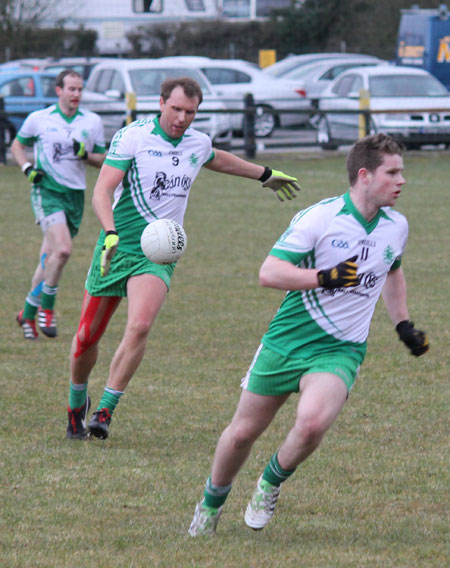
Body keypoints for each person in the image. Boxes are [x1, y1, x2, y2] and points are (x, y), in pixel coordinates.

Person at [188, 133, 429, 537]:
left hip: (341, 348)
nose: (401, 180)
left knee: (313, 423)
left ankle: (270, 482)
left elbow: (392, 270)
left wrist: (403, 324)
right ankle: (211, 504)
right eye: (393, 172)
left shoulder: (396, 226)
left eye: (401, 172)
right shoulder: (320, 218)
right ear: (365, 175)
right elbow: (270, 273)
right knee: (244, 432)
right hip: (287, 341)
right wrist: (324, 277)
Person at [65, 76, 300, 440]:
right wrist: (109, 232)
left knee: (140, 325)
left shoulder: (196, 141)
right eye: (176, 109)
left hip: (158, 252)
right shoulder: (134, 137)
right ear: (161, 103)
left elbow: (215, 158)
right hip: (116, 245)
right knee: (85, 338)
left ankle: (105, 411)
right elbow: (102, 189)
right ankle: (76, 401)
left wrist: (264, 174)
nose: (182, 118)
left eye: (190, 112)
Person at [12, 69, 106, 340]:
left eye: (80, 89)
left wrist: (85, 154)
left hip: (74, 195)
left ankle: (27, 314)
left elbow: (103, 158)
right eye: (71, 89)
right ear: (59, 90)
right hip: (47, 191)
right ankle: (47, 309)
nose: (76, 94)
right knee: (63, 251)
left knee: (49, 259)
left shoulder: (92, 121)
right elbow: (17, 146)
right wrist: (27, 167)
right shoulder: (39, 119)